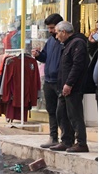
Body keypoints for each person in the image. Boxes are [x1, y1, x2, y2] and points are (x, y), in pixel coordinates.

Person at [49, 21, 89, 153]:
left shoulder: (77, 43)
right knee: (62, 114)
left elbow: (77, 66)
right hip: (63, 87)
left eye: (57, 33)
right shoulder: (67, 44)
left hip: (73, 88)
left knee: (75, 115)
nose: (56, 37)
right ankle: (66, 141)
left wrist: (69, 84)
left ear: (63, 32)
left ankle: (81, 143)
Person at [32, 13, 64, 148]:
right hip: (49, 80)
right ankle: (53, 137)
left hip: (60, 81)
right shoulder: (50, 41)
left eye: (52, 28)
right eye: (49, 28)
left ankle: (66, 139)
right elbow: (46, 57)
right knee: (51, 110)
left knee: (62, 112)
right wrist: (38, 55)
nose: (50, 31)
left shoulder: (65, 41)